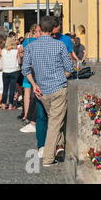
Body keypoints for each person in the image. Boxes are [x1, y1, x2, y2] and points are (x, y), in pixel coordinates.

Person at [22, 16, 74, 167]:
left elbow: (25, 69)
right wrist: (61, 76)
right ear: (52, 30)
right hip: (58, 88)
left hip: (42, 89)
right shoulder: (59, 46)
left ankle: (59, 146)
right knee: (55, 123)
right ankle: (48, 158)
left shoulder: (31, 46)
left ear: (40, 29)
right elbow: (70, 68)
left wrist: (34, 84)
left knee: (54, 119)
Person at [19, 24, 38, 133]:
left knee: (27, 93)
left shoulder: (27, 41)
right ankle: (33, 117)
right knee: (35, 93)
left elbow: (20, 52)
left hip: (27, 69)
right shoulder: (40, 42)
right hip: (36, 69)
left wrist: (22, 58)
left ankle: (26, 115)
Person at [0, 36, 21, 110]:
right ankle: (10, 105)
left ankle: (3, 104)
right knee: (12, 89)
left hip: (5, 71)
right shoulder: (16, 51)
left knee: (5, 89)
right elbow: (19, 61)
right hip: (14, 71)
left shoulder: (2, 51)